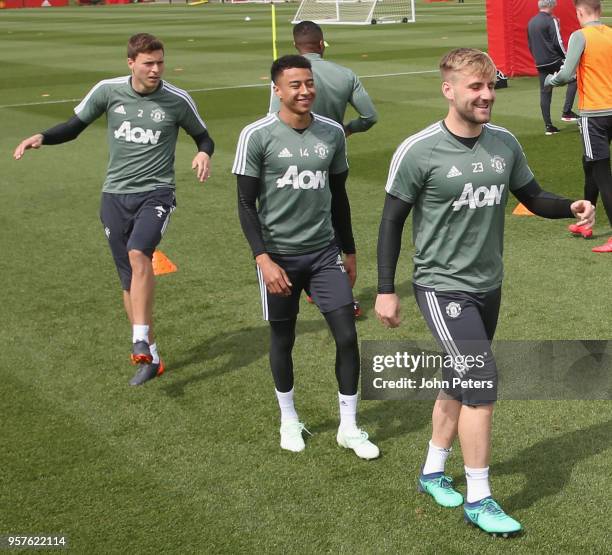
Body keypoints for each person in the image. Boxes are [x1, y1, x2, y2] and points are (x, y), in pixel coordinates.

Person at [375, 48, 593, 536]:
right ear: (448, 89)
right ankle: (480, 497)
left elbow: (532, 197)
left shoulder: (504, 143)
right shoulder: (419, 149)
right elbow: (391, 221)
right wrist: (386, 289)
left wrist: (570, 206)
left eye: (491, 85)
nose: (487, 95)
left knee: (459, 378)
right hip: (439, 285)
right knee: (481, 383)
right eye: (476, 87)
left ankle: (433, 470)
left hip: (488, 285)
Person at [13, 33, 214, 386]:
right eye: (148, 63)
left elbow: (203, 136)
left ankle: (138, 337)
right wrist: (42, 136)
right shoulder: (108, 91)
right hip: (114, 196)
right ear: (131, 63)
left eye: (160, 62)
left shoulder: (177, 99)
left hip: (156, 193)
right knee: (127, 279)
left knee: (140, 253)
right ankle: (149, 354)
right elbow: (74, 128)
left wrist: (203, 152)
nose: (155, 69)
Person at [234, 55, 379, 459]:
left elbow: (339, 197)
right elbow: (246, 205)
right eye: (295, 85)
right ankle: (288, 418)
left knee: (348, 336)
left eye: (309, 83)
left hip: (323, 254)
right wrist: (263, 258)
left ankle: (349, 427)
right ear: (277, 90)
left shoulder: (332, 132)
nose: (304, 91)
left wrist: (349, 250)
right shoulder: (257, 135)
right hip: (278, 257)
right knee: (283, 337)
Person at [269, 21, 378, 317]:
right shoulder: (345, 74)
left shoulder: (287, 79)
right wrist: (346, 130)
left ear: (296, 47)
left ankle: (318, 287)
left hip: (294, 161)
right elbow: (370, 116)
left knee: (308, 223)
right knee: (335, 218)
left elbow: (274, 118)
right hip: (332, 157)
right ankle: (333, 289)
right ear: (321, 44)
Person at [546, 0, 612, 252]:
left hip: (594, 114)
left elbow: (564, 74)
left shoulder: (580, 36)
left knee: (602, 173)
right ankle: (586, 221)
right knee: (590, 165)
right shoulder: (610, 34)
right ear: (600, 11)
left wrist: (551, 80)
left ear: (579, 12)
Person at [527, 0, 578, 135]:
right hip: (554, 60)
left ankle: (548, 126)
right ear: (550, 5)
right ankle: (567, 112)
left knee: (545, 92)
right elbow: (558, 42)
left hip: (540, 62)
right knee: (575, 79)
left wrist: (537, 58)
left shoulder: (531, 22)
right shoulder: (551, 20)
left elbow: (530, 45)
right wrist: (567, 59)